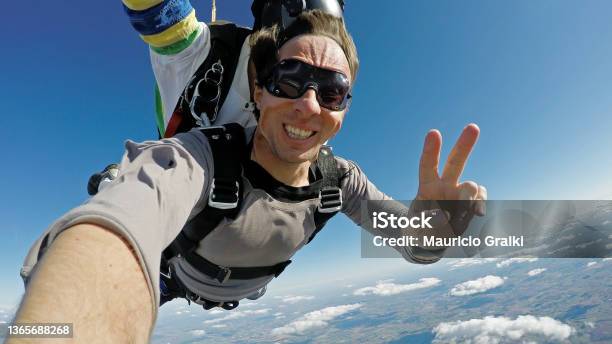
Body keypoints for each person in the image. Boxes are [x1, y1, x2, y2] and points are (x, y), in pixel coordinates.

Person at [13, 10, 486, 343]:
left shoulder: (339, 181)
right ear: (258, 90)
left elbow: (415, 249)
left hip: (225, 286)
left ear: (344, 110)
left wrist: (433, 231)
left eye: (332, 90)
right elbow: (118, 224)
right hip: (169, 278)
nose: (308, 103)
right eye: (290, 79)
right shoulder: (201, 159)